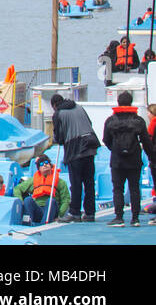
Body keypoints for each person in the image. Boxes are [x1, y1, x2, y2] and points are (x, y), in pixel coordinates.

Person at [101, 89, 156, 226]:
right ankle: (135, 218)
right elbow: (146, 141)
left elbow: (106, 139)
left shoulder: (111, 121)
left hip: (117, 160)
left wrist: (115, 149)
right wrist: (151, 157)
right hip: (134, 159)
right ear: (130, 103)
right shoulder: (138, 121)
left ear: (118, 103)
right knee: (134, 188)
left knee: (118, 188)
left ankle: (119, 217)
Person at [50, 93, 100, 222]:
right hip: (90, 147)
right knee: (89, 183)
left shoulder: (58, 114)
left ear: (54, 105)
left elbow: (59, 138)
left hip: (75, 150)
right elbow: (89, 122)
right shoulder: (78, 107)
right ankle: (90, 213)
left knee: (76, 183)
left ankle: (75, 213)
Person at [12, 154, 70, 225]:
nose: (45, 165)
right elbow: (17, 188)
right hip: (38, 210)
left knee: (51, 201)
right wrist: (20, 200)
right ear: (39, 168)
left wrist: (60, 215)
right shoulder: (33, 181)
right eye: (42, 164)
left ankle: (44, 225)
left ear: (50, 165)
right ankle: (30, 223)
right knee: (28, 200)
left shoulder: (60, 182)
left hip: (52, 211)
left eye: (46, 163)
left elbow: (65, 200)